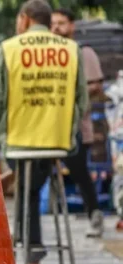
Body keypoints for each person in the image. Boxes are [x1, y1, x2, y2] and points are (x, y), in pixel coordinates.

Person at [0, 0, 87, 264]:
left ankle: (31, 250)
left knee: (25, 187)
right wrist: (66, 128)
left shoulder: (9, 49)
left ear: (25, 19)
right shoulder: (71, 50)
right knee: (31, 187)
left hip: (19, 141)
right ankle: (32, 249)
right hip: (57, 142)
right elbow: (81, 102)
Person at [51, 7, 106, 238]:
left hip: (77, 126)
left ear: (72, 26)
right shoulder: (47, 54)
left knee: (79, 171)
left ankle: (94, 214)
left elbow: (97, 86)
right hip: (50, 125)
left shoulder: (84, 53)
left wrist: (75, 92)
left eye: (61, 23)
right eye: (53, 23)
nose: (56, 28)